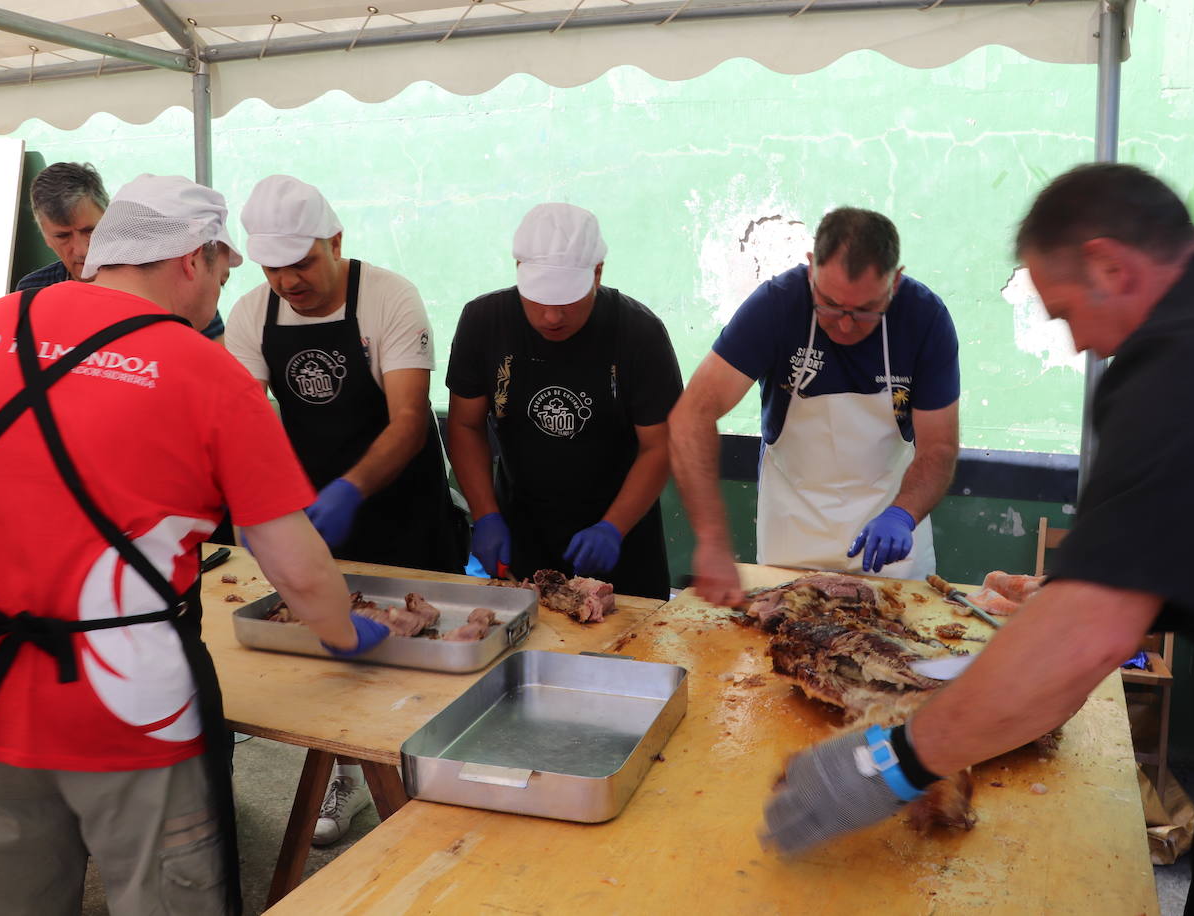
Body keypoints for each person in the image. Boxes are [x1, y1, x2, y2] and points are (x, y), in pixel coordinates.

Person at [761, 163, 1194, 916]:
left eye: (1063, 312)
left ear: (1109, 265)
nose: (1075, 344)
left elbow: (1085, 642)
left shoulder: (1181, 359)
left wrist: (892, 762)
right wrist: (1080, 591)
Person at [0, 175, 387, 916]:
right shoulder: (206, 371)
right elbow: (292, 562)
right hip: (132, 716)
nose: (222, 290)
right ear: (193, 259)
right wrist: (347, 632)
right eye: (224, 270)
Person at [225, 174, 467, 844]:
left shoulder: (389, 299)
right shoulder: (252, 313)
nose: (288, 282)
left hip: (407, 513)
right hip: (315, 521)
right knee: (337, 662)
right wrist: (276, 503)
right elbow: (246, 424)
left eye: (301, 263)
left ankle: (437, 788)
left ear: (335, 240)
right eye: (274, 267)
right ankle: (344, 777)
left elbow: (410, 420)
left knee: (423, 657)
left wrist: (351, 488)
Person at [669, 207, 960, 605]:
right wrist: (712, 540)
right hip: (792, 535)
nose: (843, 325)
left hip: (890, 543)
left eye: (863, 311)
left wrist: (903, 515)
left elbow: (939, 447)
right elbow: (691, 415)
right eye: (829, 304)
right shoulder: (776, 306)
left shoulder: (925, 319)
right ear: (811, 269)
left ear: (895, 281)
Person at [446, 203, 682, 600]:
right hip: (521, 527)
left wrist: (614, 527)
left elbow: (660, 445)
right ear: (518, 267)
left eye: (567, 300)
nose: (551, 316)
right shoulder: (484, 321)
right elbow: (466, 425)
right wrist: (485, 514)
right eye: (537, 298)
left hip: (622, 537)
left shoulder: (639, 333)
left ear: (597, 272)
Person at [15, 161, 226, 339]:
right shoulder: (31, 292)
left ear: (110, 219)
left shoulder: (180, 287)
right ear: (44, 236)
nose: (81, 249)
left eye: (90, 230)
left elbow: (219, 369)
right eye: (63, 236)